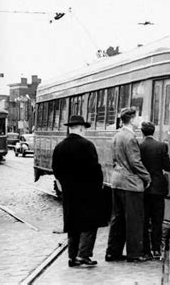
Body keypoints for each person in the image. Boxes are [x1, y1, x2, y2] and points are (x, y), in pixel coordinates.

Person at [52, 115, 107, 268]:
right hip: (88, 192)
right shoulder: (87, 145)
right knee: (89, 224)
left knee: (72, 224)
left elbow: (56, 169)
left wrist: (63, 184)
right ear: (81, 128)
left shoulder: (60, 146)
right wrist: (98, 187)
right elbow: (95, 169)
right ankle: (84, 255)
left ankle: (72, 257)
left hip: (70, 193)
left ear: (70, 128)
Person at [106, 108, 151, 262]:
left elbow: (114, 159)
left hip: (116, 181)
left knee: (117, 219)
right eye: (138, 117)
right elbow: (135, 162)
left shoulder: (117, 135)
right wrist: (147, 177)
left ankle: (113, 252)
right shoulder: (131, 138)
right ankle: (135, 254)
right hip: (130, 184)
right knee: (134, 220)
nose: (139, 120)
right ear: (131, 120)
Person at [139, 121, 170, 260]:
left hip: (143, 187)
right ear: (154, 131)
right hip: (158, 188)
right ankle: (157, 249)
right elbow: (168, 167)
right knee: (158, 220)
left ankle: (145, 250)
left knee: (144, 220)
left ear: (142, 132)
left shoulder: (139, 146)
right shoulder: (161, 146)